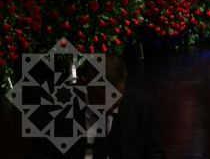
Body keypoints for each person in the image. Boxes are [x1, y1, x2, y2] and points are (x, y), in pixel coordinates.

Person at [26, 54, 165, 158]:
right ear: (85, 83)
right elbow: (38, 154)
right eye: (100, 102)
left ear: (125, 79)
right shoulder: (56, 107)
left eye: (115, 102)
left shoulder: (143, 106)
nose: (108, 110)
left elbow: (155, 154)